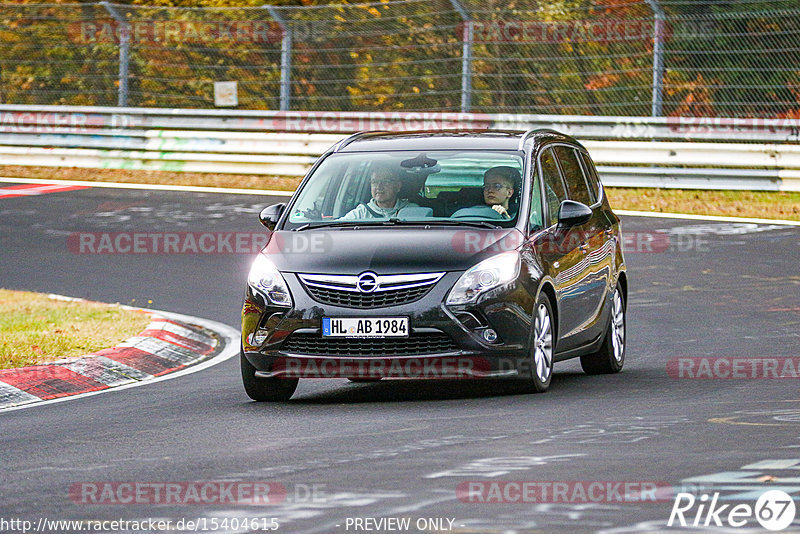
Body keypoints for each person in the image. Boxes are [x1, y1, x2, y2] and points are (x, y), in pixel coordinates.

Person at [341, 165, 418, 219]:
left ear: (398, 186)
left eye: (386, 182)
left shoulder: (412, 211)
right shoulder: (361, 213)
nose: (379, 186)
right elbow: (338, 229)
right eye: (374, 182)